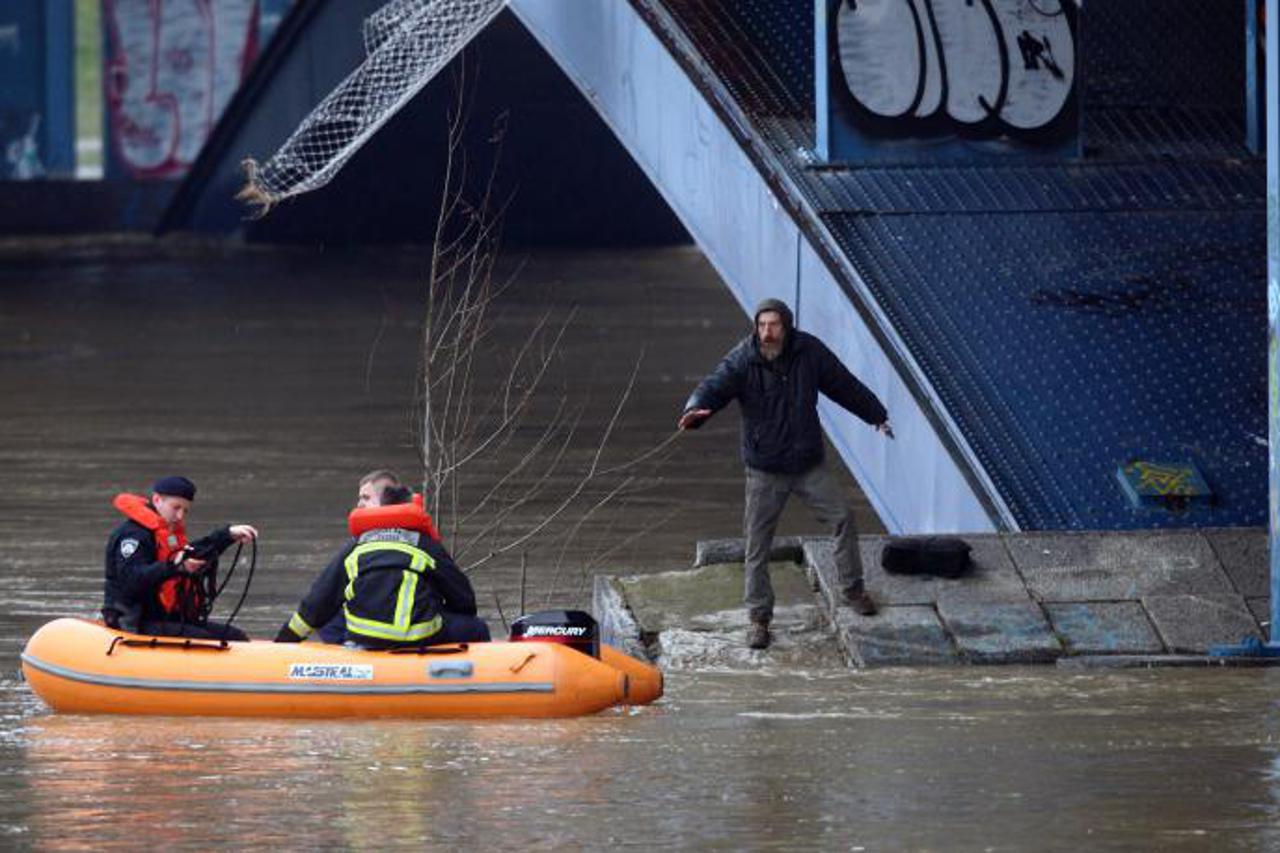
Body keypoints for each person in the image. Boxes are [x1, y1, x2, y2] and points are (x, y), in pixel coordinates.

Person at [679, 298, 893, 650]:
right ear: (755, 327)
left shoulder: (809, 352)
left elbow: (842, 384)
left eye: (774, 325)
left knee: (843, 517)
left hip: (808, 464)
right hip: (765, 469)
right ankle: (759, 619)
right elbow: (712, 388)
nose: (767, 332)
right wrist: (695, 411)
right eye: (762, 325)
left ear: (787, 326)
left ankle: (853, 591)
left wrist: (875, 415)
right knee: (757, 544)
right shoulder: (742, 359)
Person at [274, 481, 490, 648]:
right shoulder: (424, 544)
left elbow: (318, 601)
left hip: (363, 636)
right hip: (418, 636)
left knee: (330, 617)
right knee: (477, 627)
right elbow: (464, 600)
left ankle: (349, 666)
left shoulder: (357, 545)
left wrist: (284, 642)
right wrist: (439, 607)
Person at [103, 475, 259, 640]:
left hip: (165, 617)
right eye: (176, 507)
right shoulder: (132, 536)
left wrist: (228, 535)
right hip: (134, 619)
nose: (180, 516)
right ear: (157, 500)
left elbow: (193, 552)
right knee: (204, 638)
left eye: (185, 510)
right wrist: (174, 567)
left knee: (235, 636)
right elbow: (132, 579)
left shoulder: (168, 533)